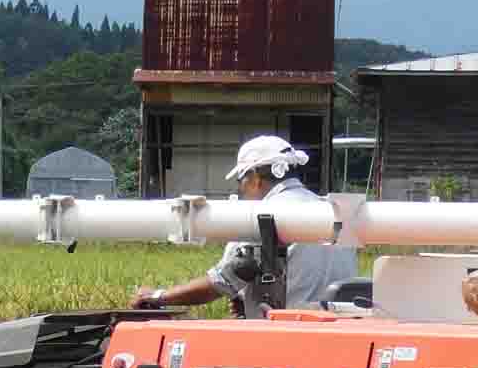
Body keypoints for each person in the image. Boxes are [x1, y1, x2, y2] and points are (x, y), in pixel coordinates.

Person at [129, 135, 359, 316]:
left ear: (255, 178)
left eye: (241, 181)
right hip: (336, 329)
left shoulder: (261, 215)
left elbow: (221, 282)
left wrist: (159, 296)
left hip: (288, 338)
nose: (241, 190)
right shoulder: (331, 209)